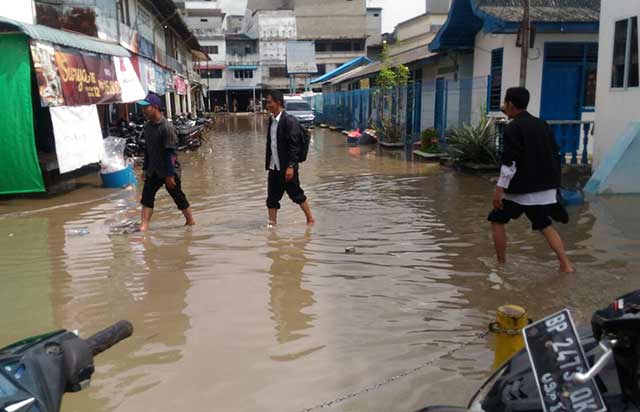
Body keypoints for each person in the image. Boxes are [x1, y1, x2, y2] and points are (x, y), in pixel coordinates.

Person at [488, 87, 574, 273]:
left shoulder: (513, 127)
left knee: (496, 219)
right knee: (544, 224)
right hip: (545, 188)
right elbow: (554, 154)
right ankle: (566, 265)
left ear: (511, 104)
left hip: (522, 190)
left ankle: (501, 264)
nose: (504, 107)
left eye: (505, 103)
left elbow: (510, 162)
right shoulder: (542, 124)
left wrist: (499, 189)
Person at [138, 93, 195, 232]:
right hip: (153, 169)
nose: (143, 110)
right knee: (147, 197)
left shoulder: (167, 128)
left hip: (169, 169)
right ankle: (144, 225)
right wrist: (145, 169)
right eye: (143, 108)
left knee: (177, 195)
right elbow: (148, 150)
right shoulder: (147, 127)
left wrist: (169, 176)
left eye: (147, 107)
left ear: (156, 107)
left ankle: (190, 220)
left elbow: (171, 154)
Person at [265, 90, 314, 226]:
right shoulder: (271, 120)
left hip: (287, 167)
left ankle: (310, 220)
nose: (267, 105)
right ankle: (272, 225)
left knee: (296, 194)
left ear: (278, 102)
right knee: (272, 198)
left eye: (269, 102)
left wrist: (291, 166)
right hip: (274, 167)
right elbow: (272, 144)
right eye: (267, 102)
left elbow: (294, 146)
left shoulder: (289, 121)